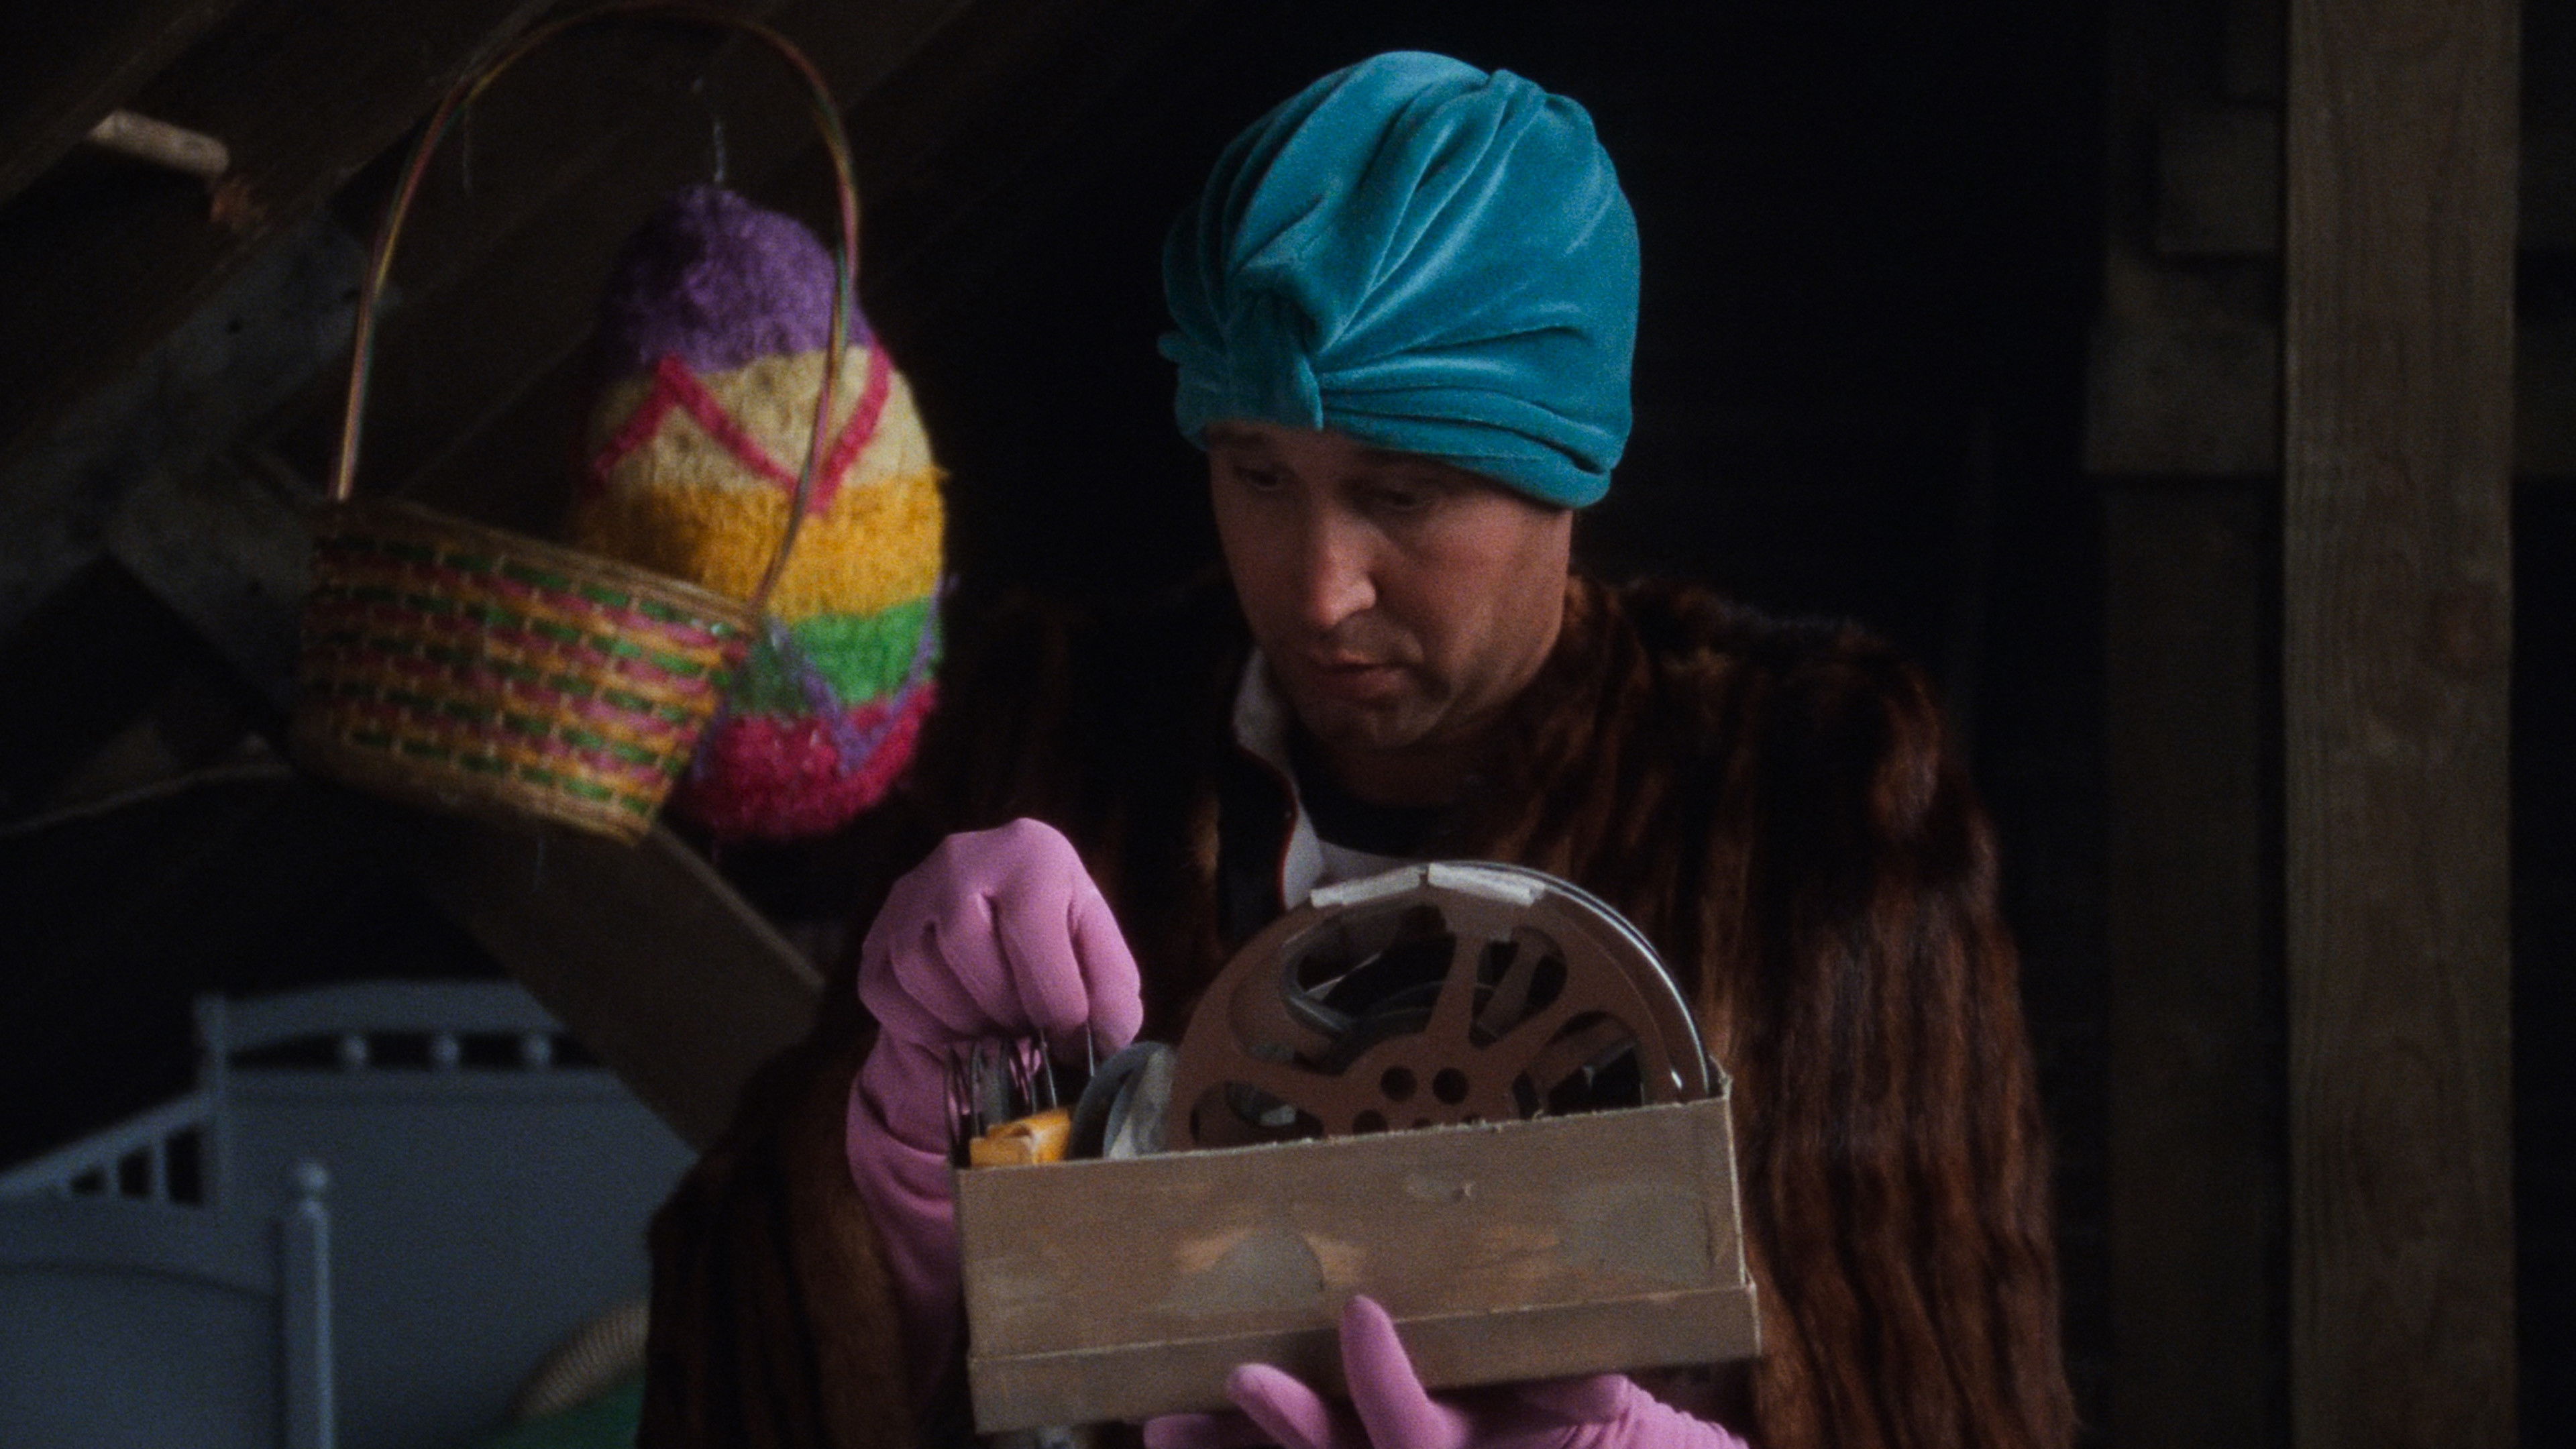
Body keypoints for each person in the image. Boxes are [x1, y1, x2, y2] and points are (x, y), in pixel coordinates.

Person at [640, 52, 2074, 1449]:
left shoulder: (1803, 812)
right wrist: (894, 1183)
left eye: (1405, 493)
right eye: (1260, 476)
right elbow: (763, 1354)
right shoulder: (1054, 741)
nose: (1322, 592)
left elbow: (1941, 1390)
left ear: (1568, 471)